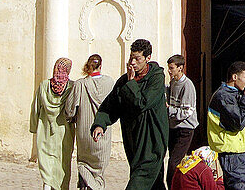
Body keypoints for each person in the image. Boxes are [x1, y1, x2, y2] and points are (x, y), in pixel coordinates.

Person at [92, 38, 169, 190]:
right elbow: (111, 105)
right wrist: (100, 124)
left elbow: (142, 103)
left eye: (137, 58)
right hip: (133, 139)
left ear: (147, 58)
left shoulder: (156, 78)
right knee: (154, 183)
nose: (132, 62)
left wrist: (131, 83)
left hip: (152, 140)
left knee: (139, 181)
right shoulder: (124, 81)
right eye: (131, 58)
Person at [64, 54, 115, 190]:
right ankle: (96, 186)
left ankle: (89, 186)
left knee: (84, 164)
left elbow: (69, 111)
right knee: (99, 170)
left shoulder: (80, 84)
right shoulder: (110, 83)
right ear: (101, 65)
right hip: (103, 133)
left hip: (85, 133)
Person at [207, 61, 245, 190]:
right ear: (235, 77)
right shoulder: (224, 96)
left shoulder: (233, 94)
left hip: (240, 151)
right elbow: (238, 122)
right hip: (233, 153)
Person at [31, 57, 75, 190]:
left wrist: (33, 127)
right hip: (64, 132)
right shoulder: (71, 86)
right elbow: (73, 110)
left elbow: (35, 108)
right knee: (62, 162)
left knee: (46, 162)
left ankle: (47, 186)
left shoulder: (44, 85)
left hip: (45, 130)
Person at [166, 55, 199, 189]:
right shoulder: (173, 82)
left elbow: (187, 111)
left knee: (174, 162)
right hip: (173, 127)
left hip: (185, 128)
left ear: (180, 68)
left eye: (172, 68)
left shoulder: (187, 85)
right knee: (174, 161)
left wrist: (169, 110)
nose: (169, 71)